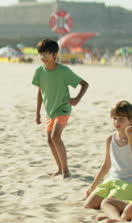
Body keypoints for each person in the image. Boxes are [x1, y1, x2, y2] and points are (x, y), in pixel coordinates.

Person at [32, 39, 89, 179]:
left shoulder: (64, 71)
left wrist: (76, 99)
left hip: (63, 108)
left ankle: (66, 171)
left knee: (55, 137)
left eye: (46, 54)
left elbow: (84, 84)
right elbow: (40, 92)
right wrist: (37, 113)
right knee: (49, 140)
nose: (43, 57)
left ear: (55, 54)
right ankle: (59, 169)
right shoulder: (39, 71)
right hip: (50, 110)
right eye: (41, 54)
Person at [84, 101, 132, 222]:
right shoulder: (110, 139)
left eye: (121, 119)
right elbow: (106, 165)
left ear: (130, 120)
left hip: (128, 182)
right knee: (89, 204)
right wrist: (92, 187)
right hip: (112, 180)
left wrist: (130, 137)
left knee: (107, 202)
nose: (116, 122)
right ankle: (114, 214)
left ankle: (116, 218)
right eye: (114, 118)